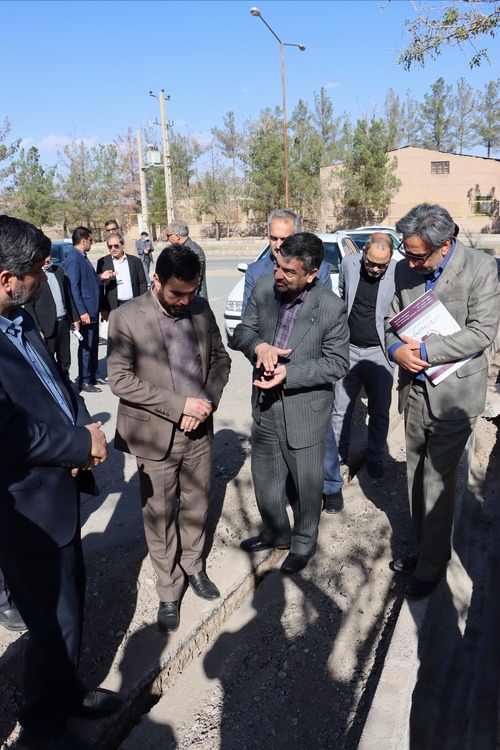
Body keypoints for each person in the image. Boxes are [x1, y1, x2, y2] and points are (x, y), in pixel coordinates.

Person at [0, 215, 121, 750]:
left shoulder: (19, 318)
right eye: (36, 271)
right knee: (49, 622)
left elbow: (57, 382)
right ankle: (41, 731)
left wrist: (85, 426)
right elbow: (6, 433)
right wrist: (76, 445)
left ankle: (66, 691)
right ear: (7, 278)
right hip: (25, 509)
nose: (43, 278)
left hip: (58, 494)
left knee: (70, 606)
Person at [107, 245, 231, 634]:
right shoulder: (126, 317)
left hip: (199, 431)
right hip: (155, 434)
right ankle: (168, 590)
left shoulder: (201, 308)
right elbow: (120, 380)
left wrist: (205, 403)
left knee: (196, 504)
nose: (185, 301)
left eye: (192, 292)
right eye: (178, 293)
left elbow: (221, 361)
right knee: (159, 516)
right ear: (156, 280)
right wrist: (180, 406)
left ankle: (193, 566)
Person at [385, 203, 500, 599]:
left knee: (437, 482)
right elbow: (391, 322)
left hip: (455, 395)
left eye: (418, 256)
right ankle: (425, 549)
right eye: (407, 253)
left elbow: (482, 332)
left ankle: (432, 566)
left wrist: (425, 351)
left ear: (444, 245)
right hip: (415, 390)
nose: (410, 263)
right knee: (415, 476)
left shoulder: (480, 268)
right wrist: (395, 350)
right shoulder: (405, 268)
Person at [233, 232, 349, 575]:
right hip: (266, 405)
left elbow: (337, 364)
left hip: (305, 411)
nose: (278, 275)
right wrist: (258, 346)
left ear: (311, 274)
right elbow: (242, 331)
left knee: (307, 485)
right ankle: (276, 532)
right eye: (277, 266)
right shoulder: (263, 287)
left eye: (289, 271)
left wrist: (289, 373)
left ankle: (303, 542)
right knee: (266, 480)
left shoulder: (330, 307)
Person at [323, 233, 397, 514]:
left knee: (379, 409)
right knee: (340, 408)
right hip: (349, 350)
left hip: (380, 351)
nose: (375, 269)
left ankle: (375, 456)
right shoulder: (348, 264)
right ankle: (338, 459)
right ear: (363, 252)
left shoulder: (398, 271)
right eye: (371, 263)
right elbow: (344, 296)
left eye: (382, 265)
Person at [242, 208, 332, 316]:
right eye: (273, 238)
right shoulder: (254, 271)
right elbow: (248, 317)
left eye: (284, 239)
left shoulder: (320, 269)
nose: (278, 245)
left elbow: (325, 314)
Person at [65, 226, 116, 393]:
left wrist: (101, 277)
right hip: (86, 310)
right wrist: (82, 312)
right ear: (83, 240)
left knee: (93, 345)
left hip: (92, 308)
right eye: (90, 240)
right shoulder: (73, 258)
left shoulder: (82, 256)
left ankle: (93, 375)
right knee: (86, 347)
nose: (92, 243)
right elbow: (74, 288)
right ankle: (84, 380)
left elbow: (88, 279)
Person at [24, 254, 80, 376]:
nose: (46, 259)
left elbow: (68, 296)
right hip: (46, 327)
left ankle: (66, 382)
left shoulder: (59, 271)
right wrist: (37, 328)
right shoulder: (34, 275)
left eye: (48, 255)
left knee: (65, 358)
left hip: (63, 323)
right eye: (43, 257)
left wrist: (75, 319)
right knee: (48, 360)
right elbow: (29, 306)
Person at [97, 232, 148, 318]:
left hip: (134, 305)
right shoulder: (103, 262)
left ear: (122, 245)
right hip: (114, 307)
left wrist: (143, 304)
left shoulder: (135, 261)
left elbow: (142, 284)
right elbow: (100, 288)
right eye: (110, 246)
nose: (113, 249)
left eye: (116, 246)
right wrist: (103, 309)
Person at [166, 219, 208, 298]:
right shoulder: (180, 249)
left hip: (194, 300)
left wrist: (185, 300)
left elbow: (194, 283)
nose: (167, 239)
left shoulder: (194, 251)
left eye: (168, 235)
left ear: (177, 236)